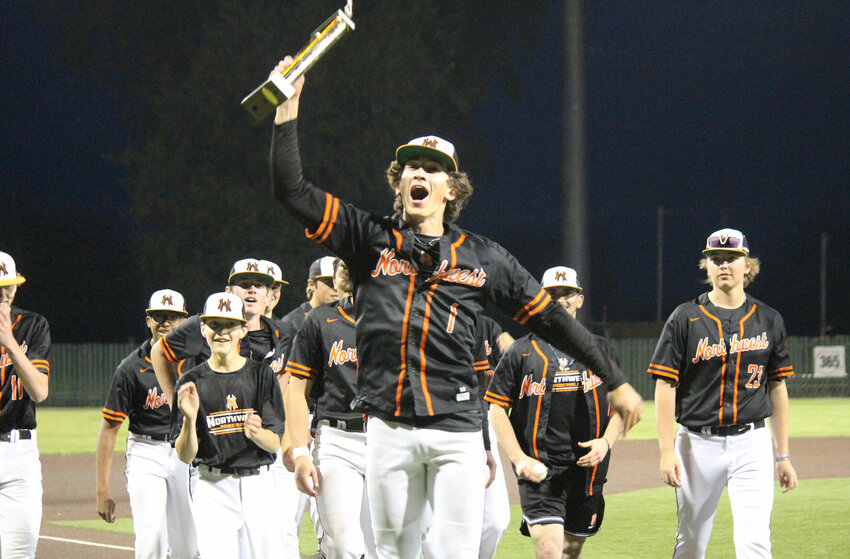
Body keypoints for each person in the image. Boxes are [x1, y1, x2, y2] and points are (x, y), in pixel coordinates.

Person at [268, 57, 642, 559]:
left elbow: (551, 318)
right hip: (388, 427)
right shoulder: (367, 239)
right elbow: (291, 191)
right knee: (395, 555)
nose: (419, 173)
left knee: (455, 554)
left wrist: (614, 379)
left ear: (451, 188)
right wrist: (287, 112)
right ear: (398, 185)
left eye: (432, 169)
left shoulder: (485, 258)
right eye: (410, 169)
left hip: (458, 429)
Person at [648, 228, 797, 559]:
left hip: (752, 443)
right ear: (707, 267)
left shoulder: (769, 320)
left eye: (731, 258)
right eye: (715, 259)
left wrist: (783, 455)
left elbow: (777, 386)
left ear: (748, 265)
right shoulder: (685, 318)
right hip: (696, 443)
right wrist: (665, 450)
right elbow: (664, 384)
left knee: (756, 541)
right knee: (691, 540)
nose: (723, 264)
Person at [486, 266, 623, 559]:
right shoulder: (519, 353)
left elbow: (622, 407)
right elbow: (496, 408)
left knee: (570, 551)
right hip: (540, 472)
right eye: (552, 295)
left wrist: (606, 442)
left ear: (579, 299)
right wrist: (519, 458)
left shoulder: (600, 350)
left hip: (587, 472)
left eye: (567, 294)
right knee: (549, 551)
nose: (560, 300)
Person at [173, 292, 286, 559]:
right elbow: (185, 455)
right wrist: (189, 419)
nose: (221, 332)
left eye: (229, 325)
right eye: (214, 324)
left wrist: (258, 435)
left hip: (259, 485)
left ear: (243, 329)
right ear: (203, 328)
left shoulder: (261, 374)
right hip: (213, 486)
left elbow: (275, 442)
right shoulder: (191, 381)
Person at [96, 289, 199, 559]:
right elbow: (109, 429)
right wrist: (102, 490)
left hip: (184, 453)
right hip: (146, 451)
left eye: (173, 317)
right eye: (159, 317)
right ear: (148, 320)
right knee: (151, 537)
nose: (165, 323)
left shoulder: (196, 360)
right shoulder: (130, 369)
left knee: (189, 544)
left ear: (184, 321)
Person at [286, 258, 377, 559]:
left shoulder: (394, 320)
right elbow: (296, 390)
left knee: (383, 549)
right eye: (343, 266)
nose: (348, 271)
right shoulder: (319, 320)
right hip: (336, 440)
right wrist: (300, 451)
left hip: (387, 439)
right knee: (343, 546)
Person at [152, 258, 288, 402]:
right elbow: (158, 352)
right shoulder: (204, 325)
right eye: (244, 284)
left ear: (268, 295)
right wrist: (175, 404)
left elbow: (286, 372)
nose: (252, 290)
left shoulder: (284, 333)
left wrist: (273, 408)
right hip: (209, 420)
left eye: (259, 285)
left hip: (256, 423)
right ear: (228, 292)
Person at [0, 251, 50, 559]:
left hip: (20, 456)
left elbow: (39, 391)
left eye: (9, 286)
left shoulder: (32, 326)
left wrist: (9, 342)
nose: (4, 294)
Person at [475, 315, 514, 559]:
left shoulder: (487, 326)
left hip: (485, 420)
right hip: (445, 421)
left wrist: (515, 350)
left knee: (496, 520)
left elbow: (511, 374)